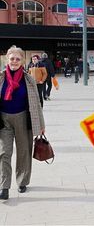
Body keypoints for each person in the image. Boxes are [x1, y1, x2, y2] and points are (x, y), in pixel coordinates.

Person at [0, 45, 45, 200]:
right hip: (3, 120)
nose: (14, 61)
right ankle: (4, 186)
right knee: (4, 153)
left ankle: (22, 181)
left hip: (23, 118)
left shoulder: (29, 79)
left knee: (23, 152)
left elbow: (37, 103)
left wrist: (41, 125)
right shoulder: (1, 77)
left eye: (18, 59)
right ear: (7, 59)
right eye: (12, 58)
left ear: (22, 61)